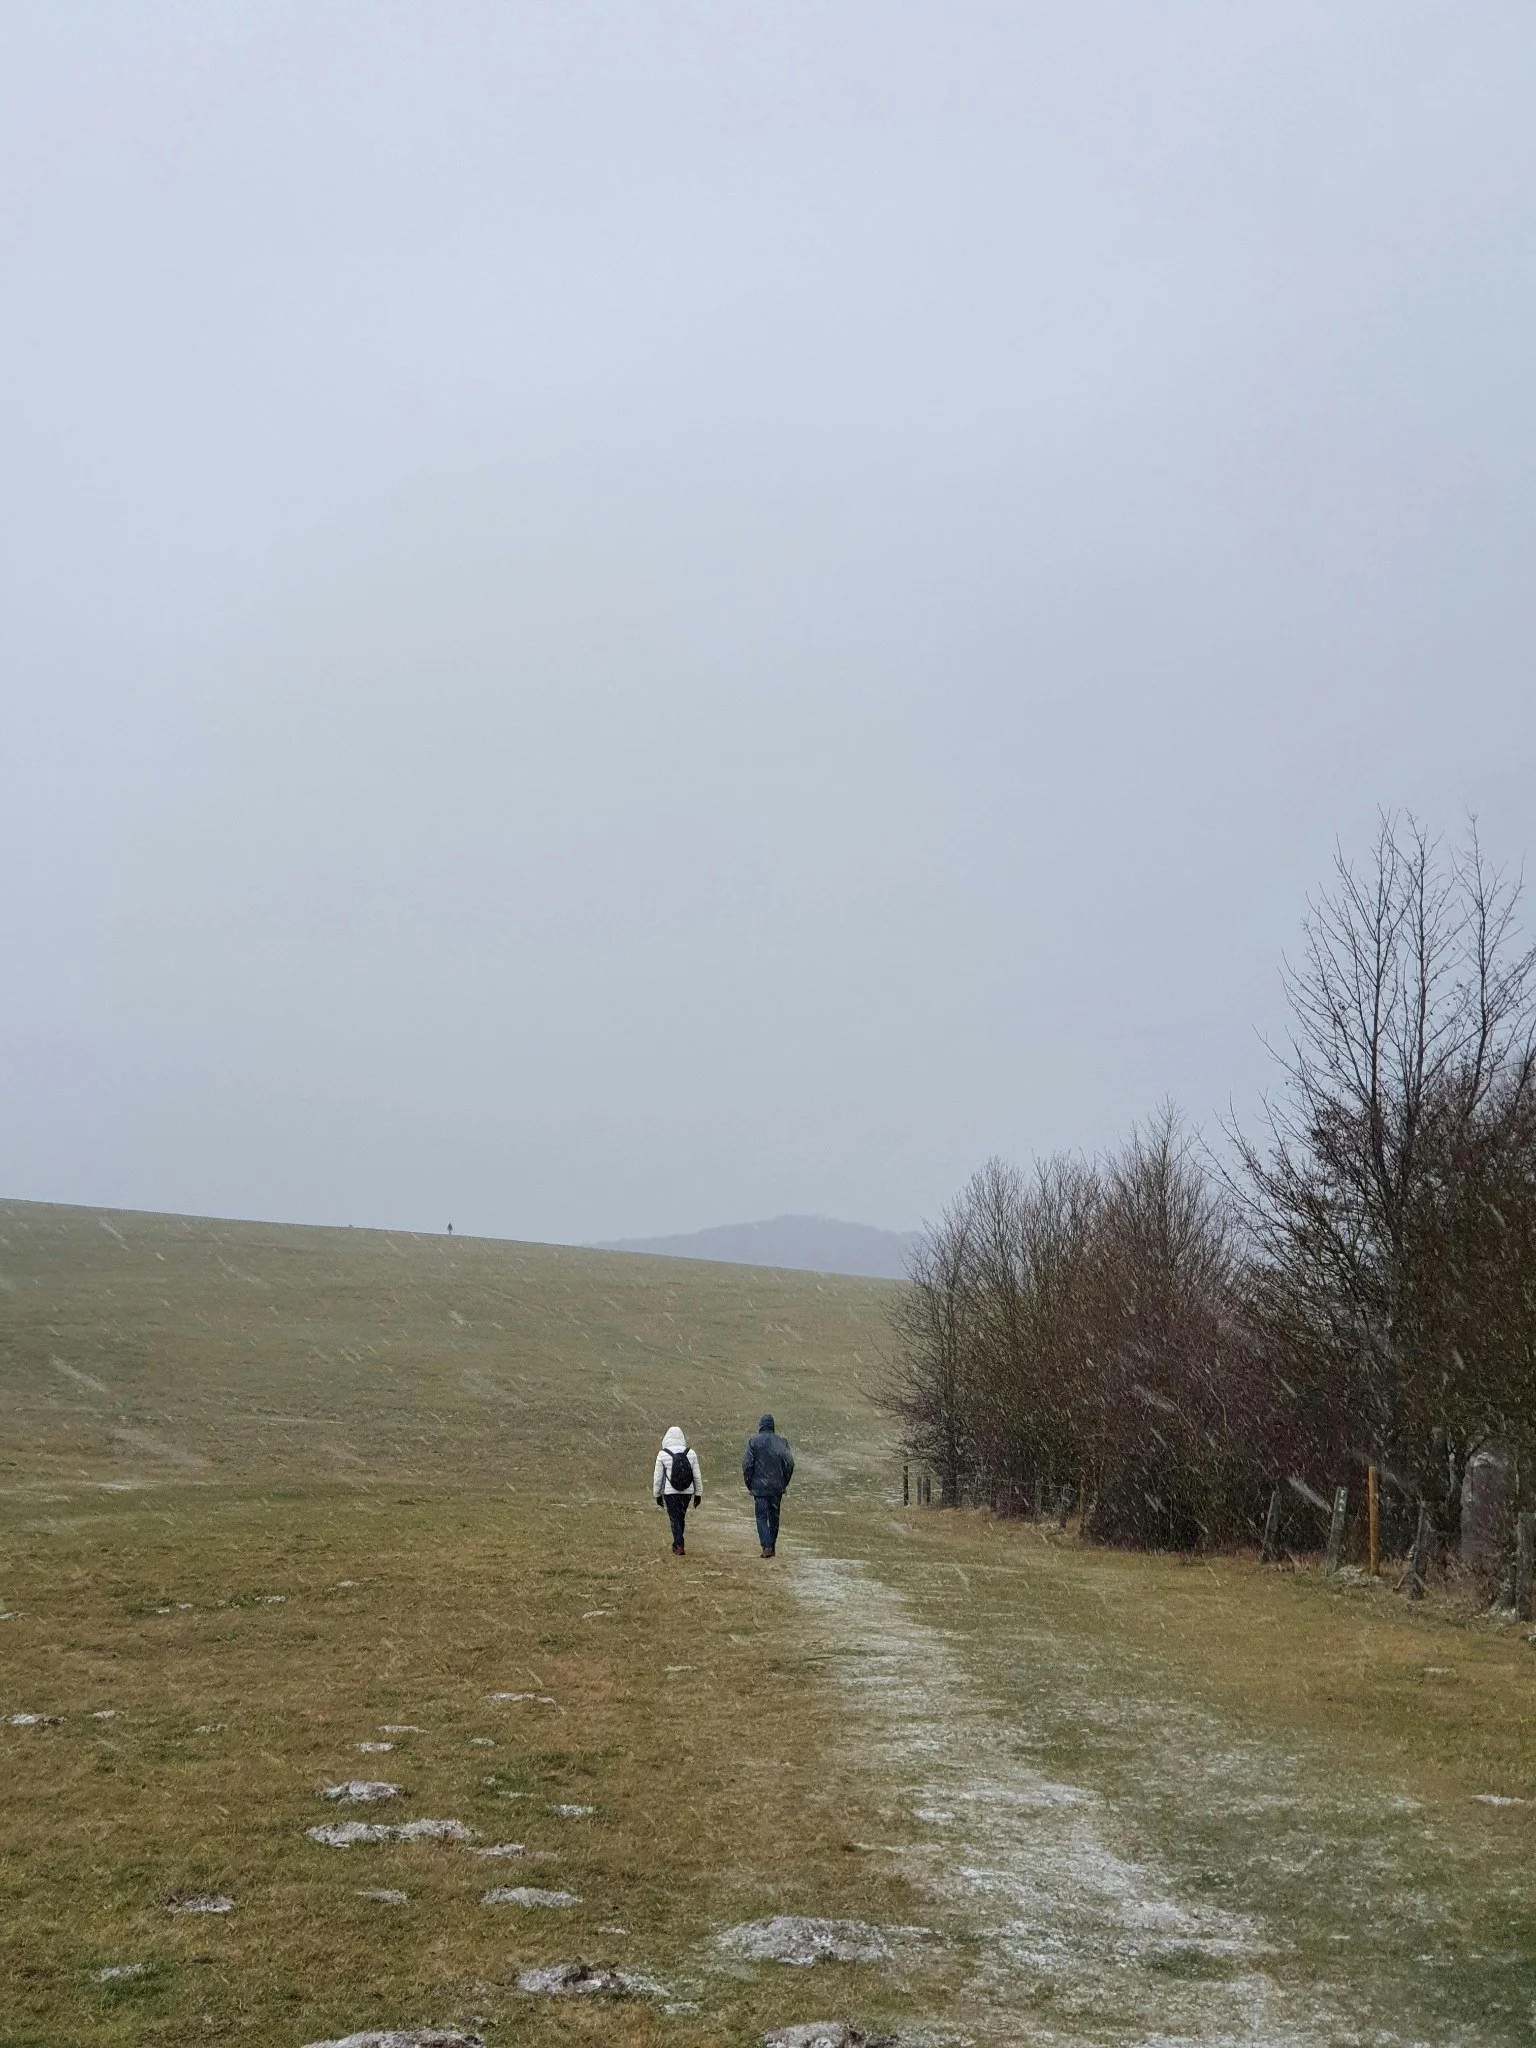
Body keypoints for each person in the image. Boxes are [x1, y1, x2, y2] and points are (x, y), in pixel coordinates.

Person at [741, 1412, 794, 1557]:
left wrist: (749, 1483)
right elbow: (790, 1463)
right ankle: (772, 1545)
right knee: (774, 1517)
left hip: (759, 1488)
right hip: (777, 1487)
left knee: (761, 1517)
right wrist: (784, 1481)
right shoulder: (781, 1442)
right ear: (772, 1426)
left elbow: (747, 1465)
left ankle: (766, 1546)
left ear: (761, 1426)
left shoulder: (753, 1442)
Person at [653, 1425, 702, 1555]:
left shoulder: (662, 1454)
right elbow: (697, 1476)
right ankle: (679, 1542)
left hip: (670, 1493)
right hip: (687, 1492)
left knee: (674, 1518)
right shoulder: (691, 1453)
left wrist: (657, 1494)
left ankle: (678, 1544)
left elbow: (658, 1477)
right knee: (681, 1516)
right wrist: (698, 1494)